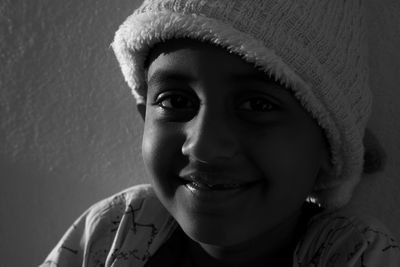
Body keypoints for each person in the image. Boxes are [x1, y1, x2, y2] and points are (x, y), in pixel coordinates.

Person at [40, 0, 400, 266]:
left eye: (257, 106)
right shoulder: (117, 229)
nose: (204, 147)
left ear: (329, 145)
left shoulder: (356, 254)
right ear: (143, 118)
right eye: (175, 100)